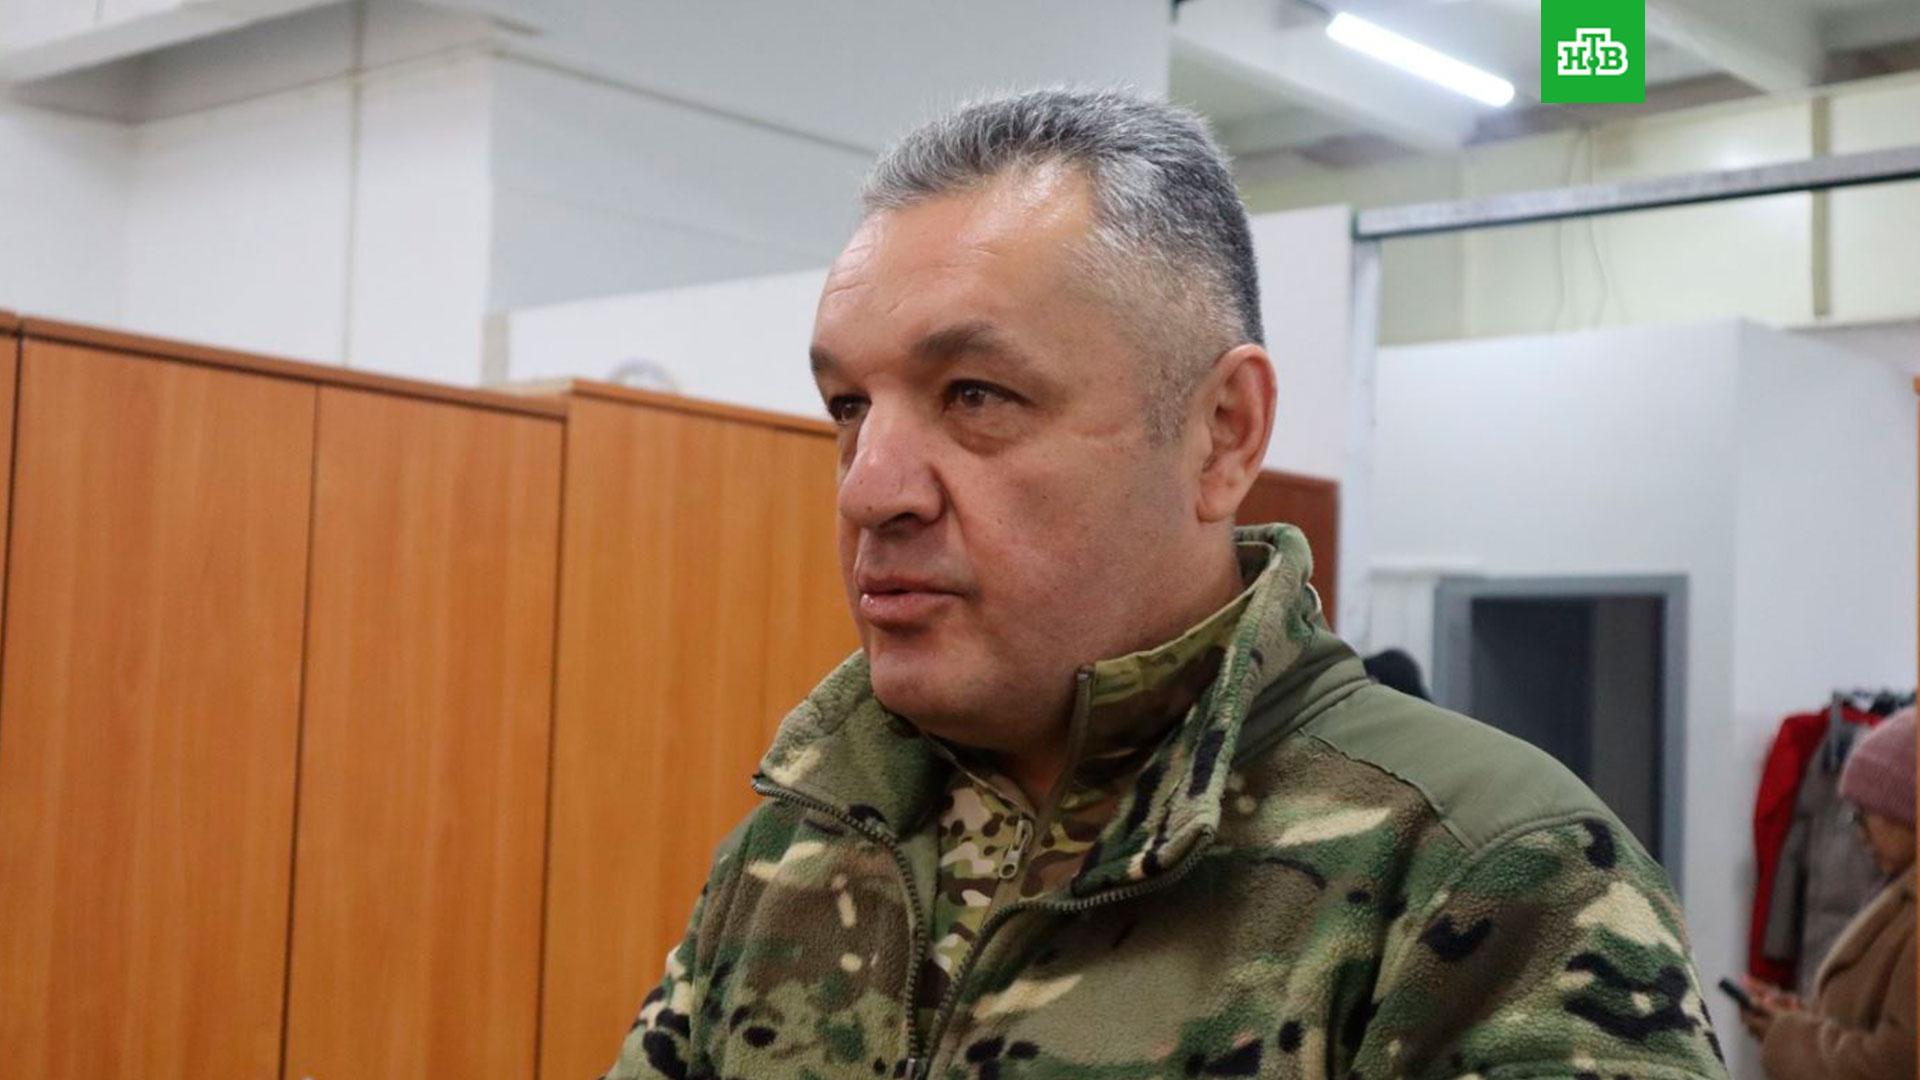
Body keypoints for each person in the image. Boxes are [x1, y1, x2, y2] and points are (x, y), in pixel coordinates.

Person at [607, 88, 1726, 1080]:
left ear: (1221, 433)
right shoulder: (798, 851)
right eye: (849, 406)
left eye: (975, 395)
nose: (870, 488)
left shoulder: (1485, 877)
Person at [1742, 708, 1915, 1079]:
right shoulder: (1898, 893)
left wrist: (1788, 1036)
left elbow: (1894, 1065)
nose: (1860, 833)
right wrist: (1805, 1019)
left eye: (1864, 813)